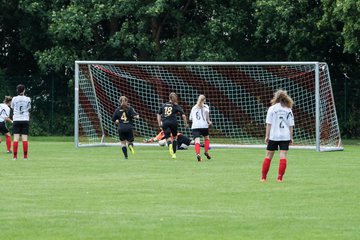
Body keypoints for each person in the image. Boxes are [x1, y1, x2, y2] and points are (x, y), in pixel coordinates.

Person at [261, 89, 294, 183]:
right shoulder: (288, 110)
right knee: (283, 156)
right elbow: (291, 125)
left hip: (274, 136)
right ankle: (280, 178)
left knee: (268, 156)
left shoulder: (272, 109)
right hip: (285, 136)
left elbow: (269, 124)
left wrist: (267, 136)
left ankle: (263, 178)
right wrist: (291, 137)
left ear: (276, 97)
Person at [157, 92, 188, 159]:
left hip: (165, 122)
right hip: (173, 123)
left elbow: (159, 114)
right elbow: (183, 115)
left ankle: (169, 145)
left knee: (168, 138)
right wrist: (185, 123)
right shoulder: (176, 106)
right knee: (174, 138)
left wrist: (159, 123)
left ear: (169, 98)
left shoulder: (164, 105)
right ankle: (174, 154)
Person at [11, 84, 31, 160]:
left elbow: (12, 107)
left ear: (17, 90)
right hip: (25, 119)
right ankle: (25, 157)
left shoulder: (14, 99)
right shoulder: (28, 99)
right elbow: (29, 108)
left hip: (16, 119)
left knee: (16, 139)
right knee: (25, 139)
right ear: (24, 90)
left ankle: (15, 157)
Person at [189, 94, 212, 162]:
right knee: (206, 138)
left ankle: (198, 154)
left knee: (197, 141)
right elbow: (207, 112)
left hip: (195, 126)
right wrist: (208, 121)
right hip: (204, 126)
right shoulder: (205, 106)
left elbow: (191, 118)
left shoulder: (194, 107)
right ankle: (206, 151)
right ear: (204, 100)